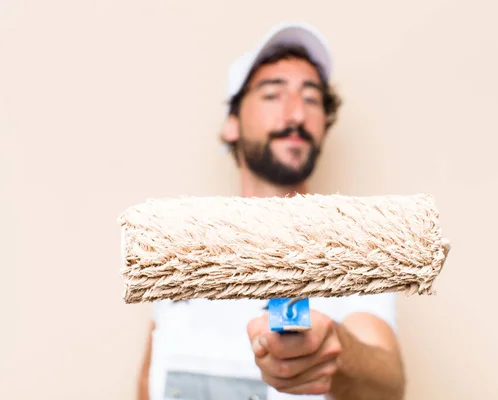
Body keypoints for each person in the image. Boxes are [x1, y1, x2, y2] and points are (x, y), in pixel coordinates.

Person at [137, 21, 406, 400]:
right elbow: (151, 376)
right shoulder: (180, 246)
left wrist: (336, 353)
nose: (296, 115)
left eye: (312, 99)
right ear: (231, 123)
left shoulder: (359, 248)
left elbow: (387, 384)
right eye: (272, 94)